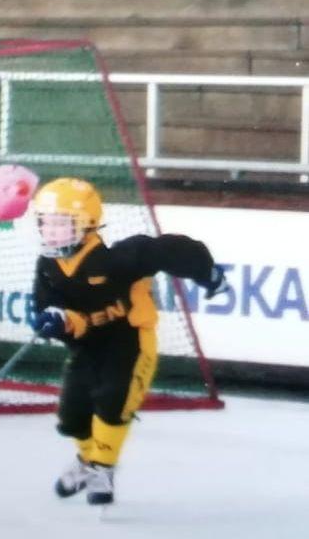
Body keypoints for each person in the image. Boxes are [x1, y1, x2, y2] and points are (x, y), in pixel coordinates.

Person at [29, 177, 228, 506]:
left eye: (61, 223)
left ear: (88, 224)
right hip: (88, 347)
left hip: (129, 341)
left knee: (113, 399)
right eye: (45, 223)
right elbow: (46, 306)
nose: (51, 231)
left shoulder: (119, 259)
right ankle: (89, 460)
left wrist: (207, 273)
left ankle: (102, 468)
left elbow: (172, 250)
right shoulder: (47, 266)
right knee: (72, 415)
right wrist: (56, 320)